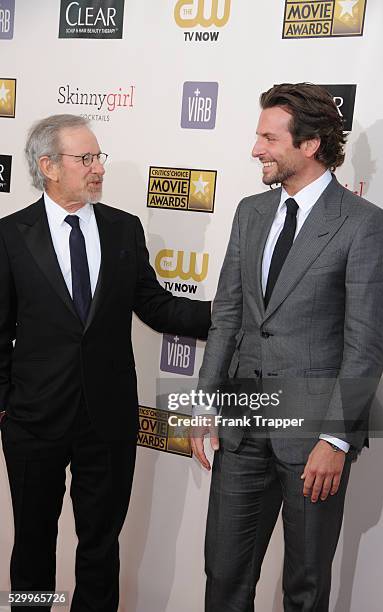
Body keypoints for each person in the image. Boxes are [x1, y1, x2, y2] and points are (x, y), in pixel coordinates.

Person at [191, 83, 383, 612]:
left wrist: (337, 438)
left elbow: (365, 346)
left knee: (305, 587)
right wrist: (204, 403)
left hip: (313, 441)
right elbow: (229, 317)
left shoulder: (364, 226)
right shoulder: (250, 212)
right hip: (242, 428)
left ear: (310, 145)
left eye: (267, 137)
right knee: (224, 576)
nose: (256, 149)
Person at [0, 114, 211, 612]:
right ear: (48, 166)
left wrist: (235, 313)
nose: (98, 168)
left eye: (99, 157)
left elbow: (157, 306)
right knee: (32, 544)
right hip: (34, 420)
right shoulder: (10, 236)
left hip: (109, 419)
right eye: (86, 158)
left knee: (100, 545)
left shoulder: (123, 228)